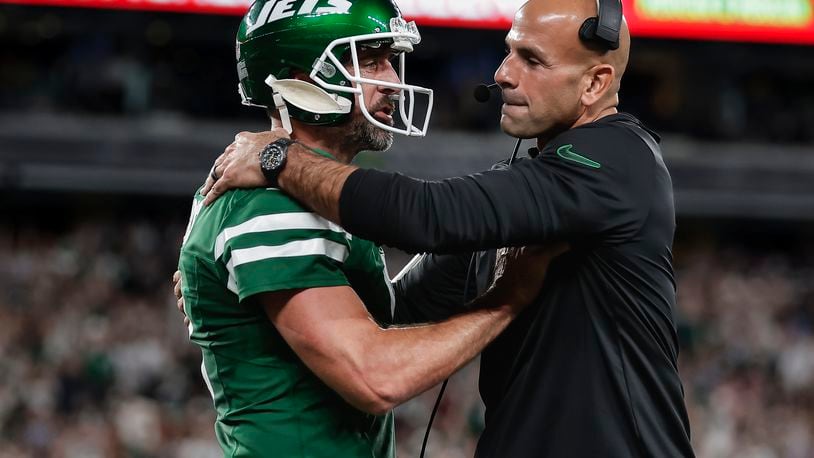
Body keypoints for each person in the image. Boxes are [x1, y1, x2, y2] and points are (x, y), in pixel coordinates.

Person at [200, 0, 697, 456]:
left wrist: (278, 157)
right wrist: (220, 288)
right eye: (509, 52)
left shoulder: (619, 159)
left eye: (533, 60)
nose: (503, 74)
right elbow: (392, 314)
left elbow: (428, 216)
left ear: (594, 84)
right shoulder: (525, 201)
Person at [176, 1, 563, 457]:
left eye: (390, 61)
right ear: (302, 77)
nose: (394, 82)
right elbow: (375, 377)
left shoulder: (303, 190)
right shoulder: (269, 202)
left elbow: (384, 311)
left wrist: (491, 237)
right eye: (372, 60)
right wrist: (508, 297)